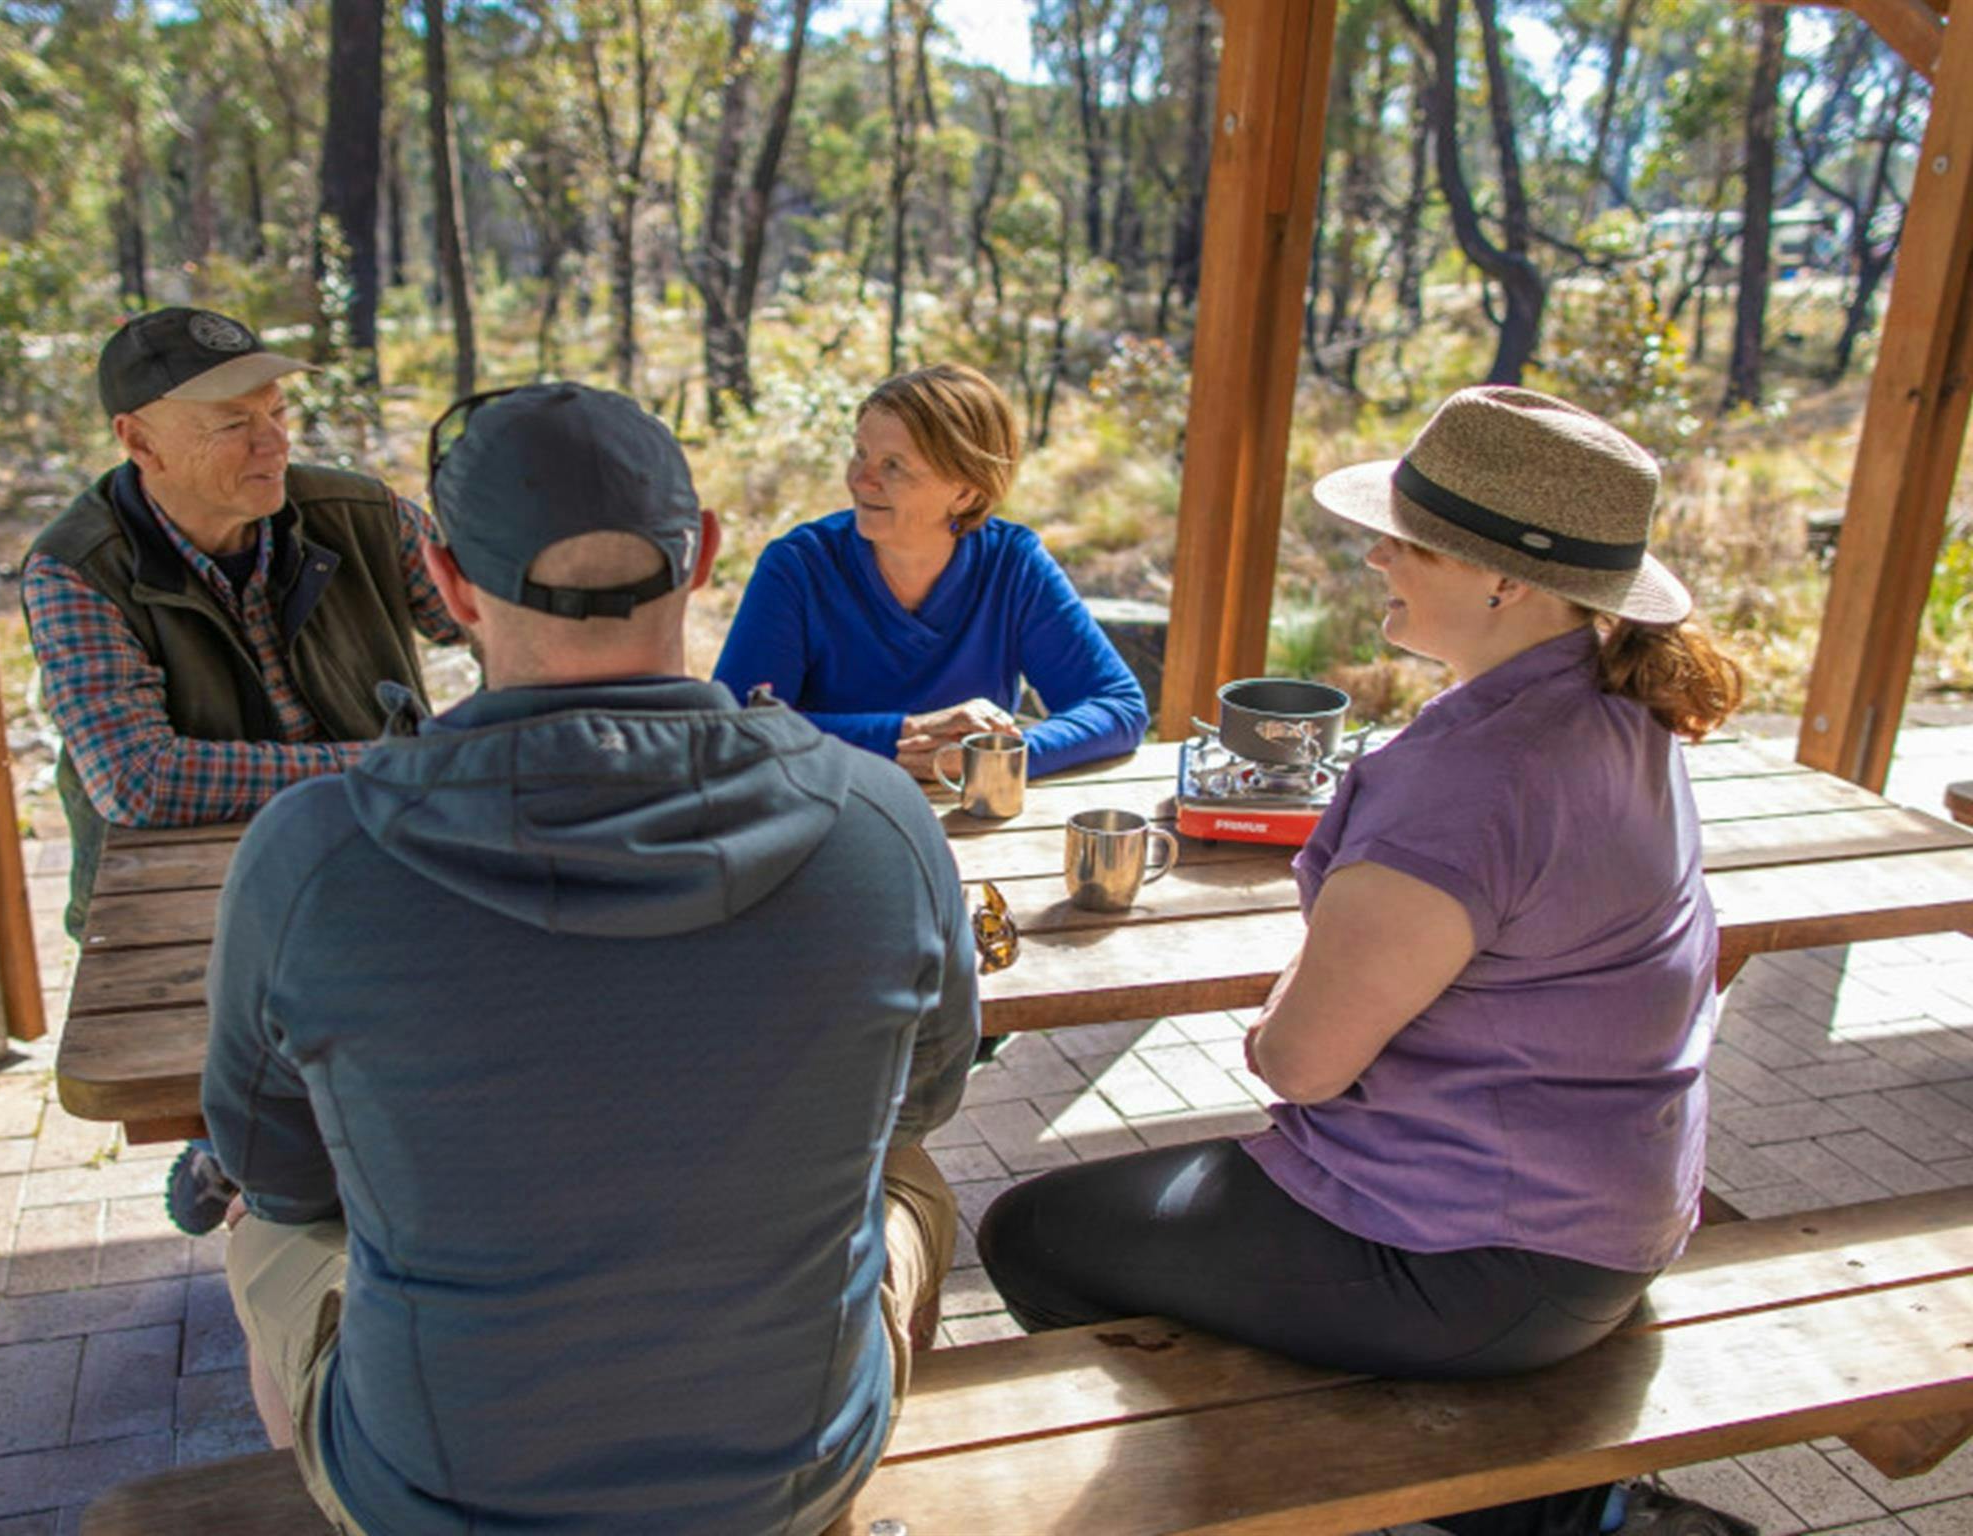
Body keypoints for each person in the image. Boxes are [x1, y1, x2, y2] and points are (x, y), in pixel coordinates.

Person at [202, 382, 978, 1536]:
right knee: (907, 1175)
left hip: (443, 1495)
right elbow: (922, 1096)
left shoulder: (311, 855)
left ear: (450, 578)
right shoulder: (882, 824)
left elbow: (276, 1170)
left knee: (255, 1227)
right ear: (704, 553)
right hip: (791, 1475)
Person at [977, 387, 1755, 1536]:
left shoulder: (1470, 782)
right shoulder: (1612, 707)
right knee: (1173, 1243)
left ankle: (1350, 1498)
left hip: (1470, 1260)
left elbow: (1298, 1064)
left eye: (1407, 538)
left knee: (1033, 1235)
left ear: (1506, 579)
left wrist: (1276, 1018)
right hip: (1607, 1218)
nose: (1374, 556)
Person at [22, 306, 462, 1237]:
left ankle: (271, 1154)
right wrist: (384, 764)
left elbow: (499, 614)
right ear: (138, 441)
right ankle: (251, 1143)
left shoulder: (362, 511)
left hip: (369, 847)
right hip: (189, 894)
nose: (272, 444)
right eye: (232, 425)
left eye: (274, 413)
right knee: (268, 1033)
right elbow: (137, 781)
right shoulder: (74, 569)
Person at [713, 361, 1148, 783]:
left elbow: (1117, 706)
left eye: (893, 465)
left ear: (964, 492)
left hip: (972, 824)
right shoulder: (798, 567)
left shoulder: (1012, 564)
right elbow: (735, 730)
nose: (861, 480)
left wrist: (997, 759)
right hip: (826, 813)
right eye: (861, 453)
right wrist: (902, 737)